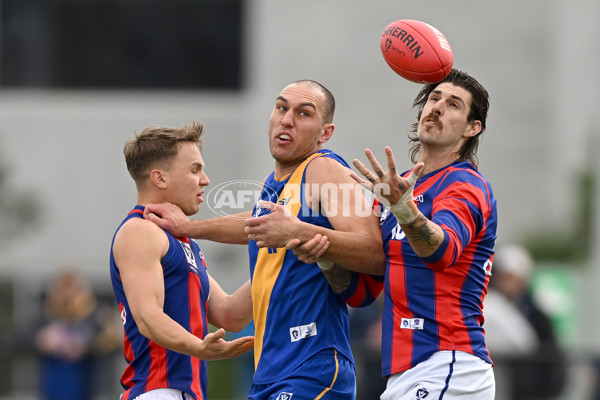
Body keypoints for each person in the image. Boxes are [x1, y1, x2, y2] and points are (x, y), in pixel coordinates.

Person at [144, 80, 385, 400]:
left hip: (314, 366)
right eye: (281, 108)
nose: (287, 119)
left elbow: (377, 253)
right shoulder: (272, 187)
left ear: (324, 133)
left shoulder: (323, 168)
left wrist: (300, 232)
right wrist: (187, 232)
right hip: (268, 374)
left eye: (303, 113)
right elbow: (231, 312)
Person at [343, 69, 497, 399]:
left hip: (449, 364)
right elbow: (362, 293)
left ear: (473, 128)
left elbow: (441, 252)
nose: (437, 107)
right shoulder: (401, 189)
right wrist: (321, 251)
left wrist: (402, 208)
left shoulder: (465, 185)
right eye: (434, 98)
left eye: (454, 104)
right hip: (407, 372)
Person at [109, 121, 254, 400]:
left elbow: (229, 314)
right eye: (194, 169)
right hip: (158, 391)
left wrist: (279, 263)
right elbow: (148, 317)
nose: (205, 179)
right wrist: (199, 347)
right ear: (160, 179)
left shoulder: (182, 241)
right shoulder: (139, 231)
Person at [487, 244, 567, 400]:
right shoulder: (488, 305)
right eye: (502, 276)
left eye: (511, 277)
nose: (506, 282)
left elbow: (542, 351)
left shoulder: (538, 315)